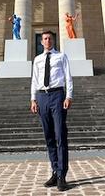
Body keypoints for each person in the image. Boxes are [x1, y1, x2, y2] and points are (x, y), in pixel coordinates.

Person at [30, 31, 73, 191]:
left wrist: (69, 96)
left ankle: (62, 175)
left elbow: (68, 77)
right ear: (41, 42)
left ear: (53, 41)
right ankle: (55, 171)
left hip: (57, 95)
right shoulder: (37, 59)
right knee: (48, 136)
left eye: (50, 39)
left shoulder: (61, 56)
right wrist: (33, 99)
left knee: (60, 135)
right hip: (42, 97)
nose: (48, 41)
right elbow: (34, 79)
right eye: (45, 39)